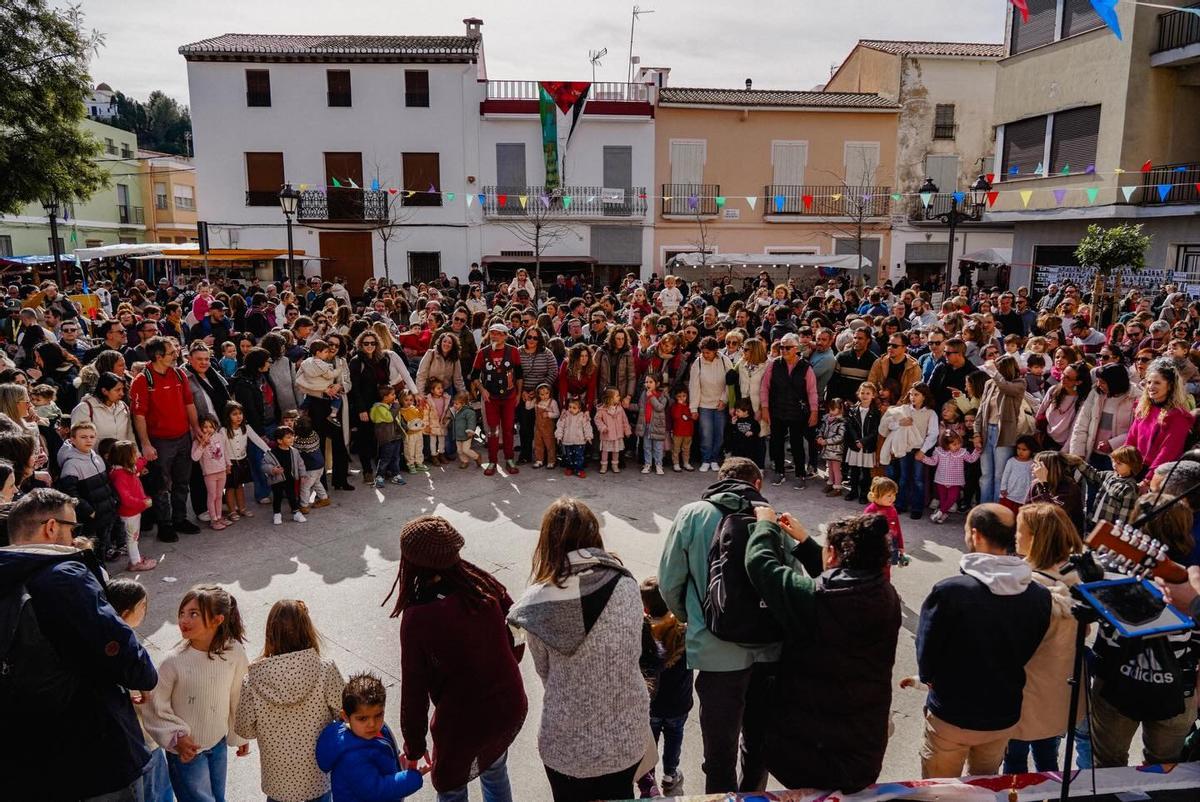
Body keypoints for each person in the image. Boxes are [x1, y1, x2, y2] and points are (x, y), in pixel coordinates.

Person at [0, 488, 159, 801]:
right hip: (92, 753)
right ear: (50, 527)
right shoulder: (64, 575)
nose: (75, 538)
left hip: (26, 758)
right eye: (72, 529)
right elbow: (131, 660)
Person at [744, 507, 899, 792]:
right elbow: (841, 580)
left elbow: (760, 565)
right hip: (862, 749)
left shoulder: (815, 601)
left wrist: (764, 526)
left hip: (808, 753)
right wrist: (806, 543)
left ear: (832, 555)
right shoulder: (887, 596)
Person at [507, 498, 651, 802]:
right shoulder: (626, 583)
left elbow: (545, 672)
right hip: (626, 737)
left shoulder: (538, 603)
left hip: (566, 745)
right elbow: (634, 652)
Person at [658, 458, 784, 794]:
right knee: (757, 744)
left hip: (715, 652)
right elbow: (789, 581)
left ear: (719, 479)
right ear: (757, 484)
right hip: (768, 650)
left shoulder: (693, 514)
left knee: (719, 751)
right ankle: (755, 795)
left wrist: (692, 620)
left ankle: (722, 798)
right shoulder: (772, 518)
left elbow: (669, 582)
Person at [389, 515, 527, 802]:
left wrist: (414, 747)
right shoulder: (479, 583)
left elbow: (414, 690)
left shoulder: (418, 616)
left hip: (464, 721)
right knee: (495, 769)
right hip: (507, 703)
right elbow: (517, 624)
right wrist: (507, 663)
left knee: (451, 787)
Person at [915, 504, 1052, 778]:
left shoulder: (951, 591)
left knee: (939, 791)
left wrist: (931, 680)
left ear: (975, 535)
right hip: (1003, 713)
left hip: (952, 714)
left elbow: (926, 655)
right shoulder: (1038, 595)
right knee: (984, 787)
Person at [144, 585, 250, 802]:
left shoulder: (233, 652)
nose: (184, 620)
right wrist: (176, 737)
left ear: (217, 620)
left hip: (217, 743)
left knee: (218, 798)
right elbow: (154, 707)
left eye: (194, 614)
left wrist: (240, 734)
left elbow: (239, 695)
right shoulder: (172, 661)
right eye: (182, 613)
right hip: (186, 752)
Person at [235, 599, 345, 802]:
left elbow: (244, 729)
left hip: (278, 784)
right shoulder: (325, 669)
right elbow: (346, 714)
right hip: (318, 776)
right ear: (308, 630)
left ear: (270, 634)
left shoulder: (252, 680)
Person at [1004, 503, 1084, 774]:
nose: (1015, 536)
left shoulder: (1022, 582)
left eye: (1020, 530)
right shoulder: (1078, 574)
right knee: (1049, 761)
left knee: (1014, 764)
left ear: (1036, 537)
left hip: (1023, 690)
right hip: (1060, 687)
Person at [129, 336, 201, 543]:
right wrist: (145, 444)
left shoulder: (179, 374)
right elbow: (139, 415)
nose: (176, 354)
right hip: (159, 442)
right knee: (160, 486)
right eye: (171, 352)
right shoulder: (143, 380)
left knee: (182, 482)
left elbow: (189, 403)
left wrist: (195, 428)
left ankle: (180, 519)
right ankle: (165, 525)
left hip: (183, 438)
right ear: (158, 356)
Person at [315, 673, 426, 802]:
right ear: (345, 717)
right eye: (362, 718)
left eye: (378, 715)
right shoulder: (352, 758)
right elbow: (378, 790)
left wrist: (398, 765)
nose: (372, 724)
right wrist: (413, 777)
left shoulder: (372, 732)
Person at [637, 577, 693, 797]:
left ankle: (648, 778)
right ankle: (670, 774)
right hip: (679, 703)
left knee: (650, 742)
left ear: (645, 607)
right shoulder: (683, 631)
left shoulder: (644, 634)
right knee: (674, 738)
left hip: (653, 704)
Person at [760, 333, 818, 487]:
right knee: (776, 442)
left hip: (797, 412)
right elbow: (764, 388)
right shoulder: (773, 365)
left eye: (787, 347)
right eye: (781, 347)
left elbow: (812, 391)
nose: (783, 350)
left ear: (796, 348)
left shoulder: (806, 367)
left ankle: (800, 474)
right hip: (777, 410)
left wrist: (814, 412)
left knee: (797, 444)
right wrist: (764, 408)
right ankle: (779, 472)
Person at [973, 355, 1030, 504]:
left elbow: (1006, 388)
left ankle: (996, 512)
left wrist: (994, 373)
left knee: (999, 475)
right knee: (986, 475)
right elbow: (981, 410)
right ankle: (984, 509)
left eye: (998, 368)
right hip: (987, 431)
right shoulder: (989, 384)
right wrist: (976, 432)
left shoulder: (1019, 383)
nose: (994, 371)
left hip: (1004, 433)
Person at [1127, 358, 1193, 482]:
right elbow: (1131, 438)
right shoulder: (1144, 407)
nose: (1151, 387)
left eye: (1157, 383)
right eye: (1149, 382)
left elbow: (1168, 452)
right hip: (1134, 468)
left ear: (1170, 386)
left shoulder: (1179, 416)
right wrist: (1124, 461)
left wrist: (1148, 480)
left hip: (1157, 476)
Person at [472, 324, 523, 476]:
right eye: (492, 333)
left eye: (499, 334)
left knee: (508, 429)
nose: (495, 336)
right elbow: (474, 376)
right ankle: (492, 461)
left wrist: (519, 394)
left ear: (506, 336)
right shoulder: (483, 353)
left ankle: (509, 459)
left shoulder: (513, 351)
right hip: (491, 398)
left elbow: (519, 375)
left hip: (509, 397)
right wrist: (482, 390)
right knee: (492, 431)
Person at [108, 439, 156, 572]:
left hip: (133, 511)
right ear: (126, 457)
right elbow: (125, 498)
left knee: (133, 537)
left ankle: (136, 558)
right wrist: (143, 503)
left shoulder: (124, 469)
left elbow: (139, 465)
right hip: (129, 513)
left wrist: (145, 458)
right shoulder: (121, 475)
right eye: (135, 454)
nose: (137, 456)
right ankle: (136, 562)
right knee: (132, 538)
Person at [554, 396, 592, 478]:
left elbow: (587, 427)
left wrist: (588, 437)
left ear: (579, 409)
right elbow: (560, 426)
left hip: (580, 441)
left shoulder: (583, 417)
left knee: (579, 456)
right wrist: (559, 436)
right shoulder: (565, 416)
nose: (571, 409)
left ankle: (579, 469)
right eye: (570, 407)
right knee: (569, 456)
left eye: (574, 408)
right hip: (568, 440)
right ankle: (569, 468)